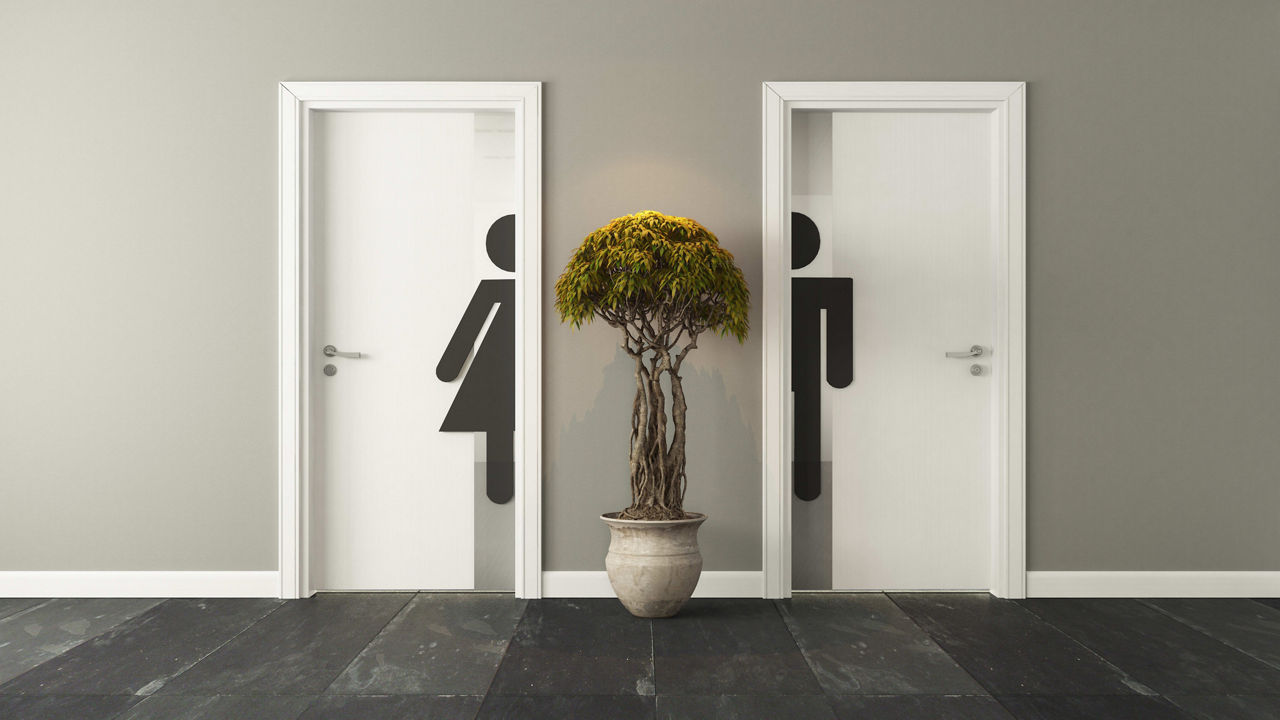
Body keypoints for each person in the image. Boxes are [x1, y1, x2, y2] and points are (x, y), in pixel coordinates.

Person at [436, 214, 516, 504]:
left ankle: (500, 490)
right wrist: (449, 367)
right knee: (499, 419)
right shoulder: (495, 288)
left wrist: (449, 366)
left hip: (492, 366)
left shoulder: (494, 288)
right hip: (495, 367)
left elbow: (468, 328)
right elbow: (470, 325)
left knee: (499, 420)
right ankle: (500, 491)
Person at [791, 212, 852, 501]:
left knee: (806, 417)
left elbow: (840, 316)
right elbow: (840, 318)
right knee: (807, 417)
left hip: (805, 365)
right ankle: (806, 487)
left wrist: (838, 371)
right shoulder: (826, 286)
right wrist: (839, 372)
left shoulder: (820, 287)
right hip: (808, 367)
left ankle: (805, 489)